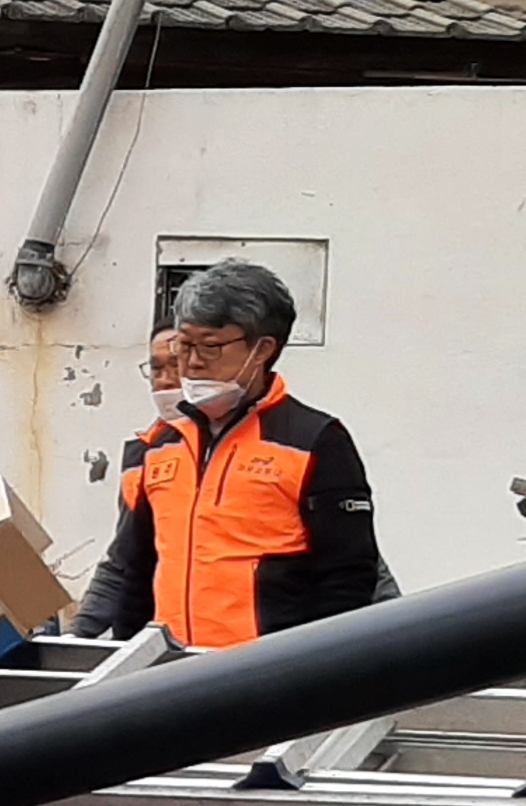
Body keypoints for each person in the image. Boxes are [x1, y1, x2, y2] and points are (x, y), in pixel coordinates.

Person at [112, 259, 380, 648]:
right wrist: (125, 660)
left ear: (262, 349)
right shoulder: (162, 444)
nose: (193, 362)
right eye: (183, 345)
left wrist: (313, 670)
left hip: (266, 670)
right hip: (169, 668)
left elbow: (348, 579)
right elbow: (136, 571)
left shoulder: (314, 440)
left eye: (211, 347)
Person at [68, 329, 190, 640]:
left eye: (175, 366)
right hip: (145, 639)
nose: (165, 380)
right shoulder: (142, 456)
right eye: (156, 369)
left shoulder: (233, 450)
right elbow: (123, 559)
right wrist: (75, 637)